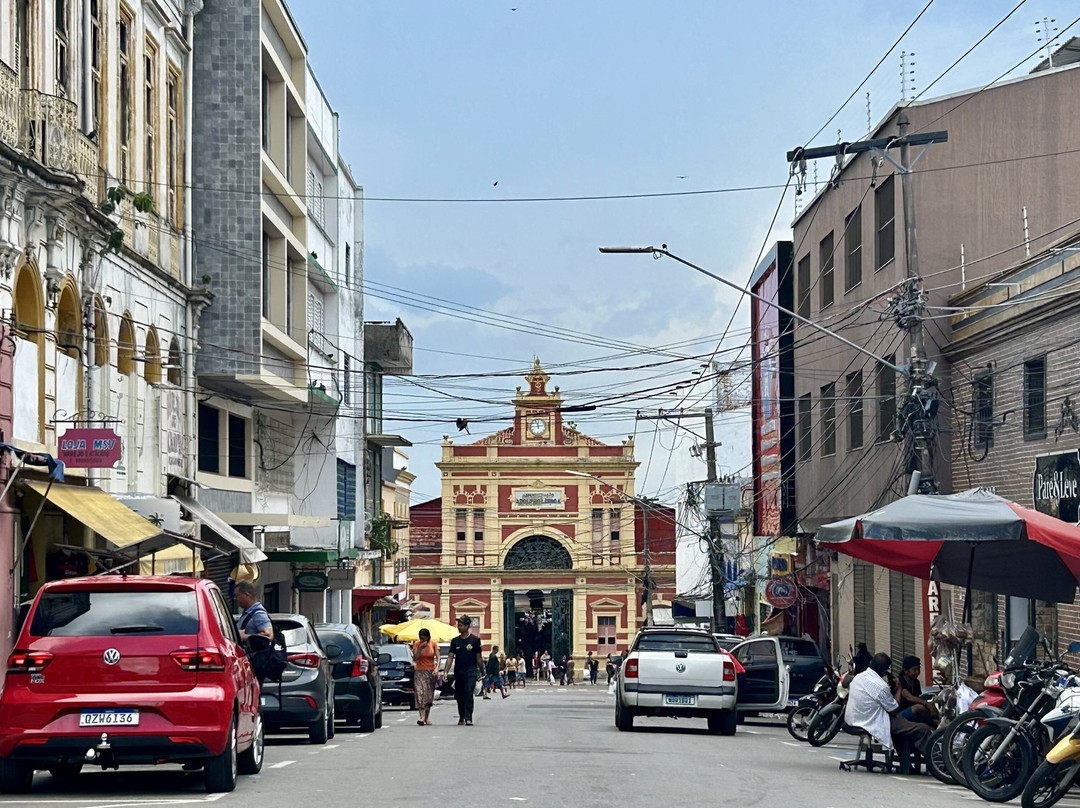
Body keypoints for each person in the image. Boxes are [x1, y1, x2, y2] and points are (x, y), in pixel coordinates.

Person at [845, 652, 932, 754]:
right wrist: (899, 689)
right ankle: (937, 762)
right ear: (885, 671)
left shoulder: (858, 677)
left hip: (853, 719)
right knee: (923, 729)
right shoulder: (881, 686)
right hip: (873, 721)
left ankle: (908, 760)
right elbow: (894, 710)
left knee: (907, 725)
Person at [443, 615, 485, 725]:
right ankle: (461, 716)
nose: (459, 627)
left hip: (470, 672)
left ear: (467, 626)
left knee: (468, 692)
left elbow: (479, 658)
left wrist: (482, 671)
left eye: (461, 625)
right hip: (458, 672)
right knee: (459, 695)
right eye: (458, 625)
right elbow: (450, 657)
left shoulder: (475, 640)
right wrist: (445, 672)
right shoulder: (455, 641)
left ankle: (468, 717)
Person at [897, 655, 937, 726]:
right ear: (906, 671)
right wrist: (926, 703)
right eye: (914, 669)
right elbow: (909, 697)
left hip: (911, 712)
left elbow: (917, 698)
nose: (917, 672)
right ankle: (934, 724)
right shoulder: (900, 681)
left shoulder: (916, 682)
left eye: (918, 669)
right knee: (919, 708)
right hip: (899, 715)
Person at [411, 628, 440, 726]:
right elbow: (415, 658)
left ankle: (427, 717)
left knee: (428, 695)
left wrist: (437, 669)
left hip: (430, 671)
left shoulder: (433, 644)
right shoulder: (417, 644)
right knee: (420, 693)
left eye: (423, 638)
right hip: (419, 671)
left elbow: (438, 657)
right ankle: (421, 717)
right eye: (420, 638)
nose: (422, 640)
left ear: (428, 637)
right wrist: (420, 648)